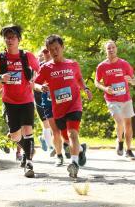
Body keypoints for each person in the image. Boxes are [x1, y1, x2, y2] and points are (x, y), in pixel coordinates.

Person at [34, 35, 92, 178]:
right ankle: (79, 151)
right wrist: (41, 87)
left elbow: (78, 78)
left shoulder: (73, 64)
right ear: (48, 50)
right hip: (58, 108)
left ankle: (74, 164)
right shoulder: (46, 68)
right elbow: (34, 84)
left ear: (62, 47)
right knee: (66, 138)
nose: (54, 52)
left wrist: (85, 88)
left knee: (73, 134)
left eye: (57, 48)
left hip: (74, 105)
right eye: (51, 49)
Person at [0, 25, 40, 178]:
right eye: (7, 37)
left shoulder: (27, 56)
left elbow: (38, 69)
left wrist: (33, 79)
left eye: (12, 37)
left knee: (28, 132)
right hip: (9, 101)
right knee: (15, 136)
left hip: (26, 100)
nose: (9, 40)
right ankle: (27, 150)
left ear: (18, 39)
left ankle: (29, 164)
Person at [95, 40, 135, 160]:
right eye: (108, 48)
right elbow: (96, 82)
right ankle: (120, 142)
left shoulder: (124, 64)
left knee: (128, 124)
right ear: (106, 50)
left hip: (126, 98)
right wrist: (105, 88)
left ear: (116, 49)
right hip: (112, 98)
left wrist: (131, 80)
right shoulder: (102, 66)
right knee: (119, 121)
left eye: (113, 47)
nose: (111, 50)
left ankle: (128, 150)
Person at [0, 83, 22, 161]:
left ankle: (18, 152)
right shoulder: (3, 77)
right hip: (8, 108)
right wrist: (6, 89)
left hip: (22, 106)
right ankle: (6, 142)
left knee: (20, 130)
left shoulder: (23, 73)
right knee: (14, 131)